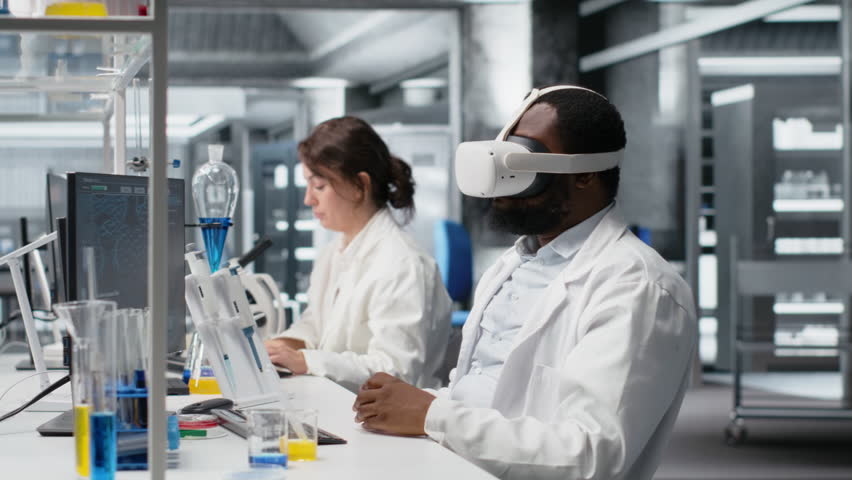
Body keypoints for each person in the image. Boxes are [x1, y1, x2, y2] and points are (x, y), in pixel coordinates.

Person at [352, 86, 697, 480]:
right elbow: (484, 394)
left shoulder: (638, 287)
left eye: (523, 159)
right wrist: (413, 403)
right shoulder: (514, 264)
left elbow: (591, 454)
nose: (502, 181)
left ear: (585, 173)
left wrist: (432, 415)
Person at [264, 116, 452, 392]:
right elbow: (316, 325)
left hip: (390, 425)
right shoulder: (333, 253)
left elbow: (395, 371)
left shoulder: (403, 263)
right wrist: (282, 346)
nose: (308, 199)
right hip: (339, 406)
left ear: (359, 186)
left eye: (319, 186)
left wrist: (306, 360)